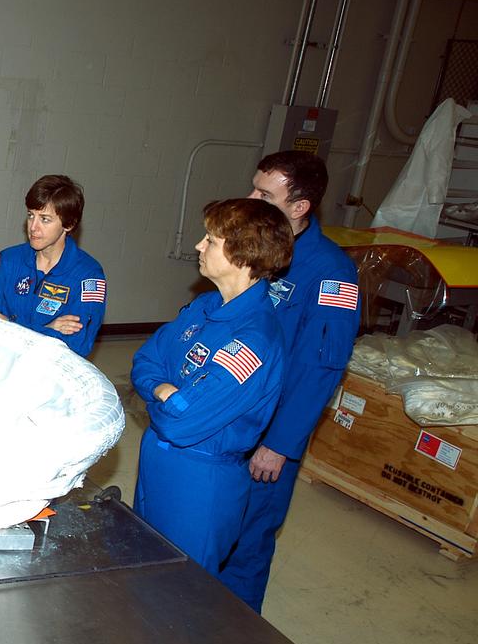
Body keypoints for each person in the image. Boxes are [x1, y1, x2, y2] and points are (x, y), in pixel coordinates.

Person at [220, 151, 361, 612]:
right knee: (213, 524)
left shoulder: (329, 273)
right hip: (228, 415)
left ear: (299, 207)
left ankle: (235, 636)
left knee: (248, 536)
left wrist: (280, 444)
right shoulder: (256, 247)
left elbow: (319, 368)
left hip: (268, 429)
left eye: (265, 194)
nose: (250, 198)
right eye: (252, 187)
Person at [131, 198, 293, 579]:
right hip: (159, 463)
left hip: (199, 483)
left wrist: (166, 399)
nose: (198, 247)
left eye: (211, 240)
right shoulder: (204, 305)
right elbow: (143, 361)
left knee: (181, 591)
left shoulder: (253, 339)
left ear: (243, 257)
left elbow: (181, 424)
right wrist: (164, 391)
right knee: (139, 571)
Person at [0, 174, 107, 357]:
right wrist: (47, 328)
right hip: (2, 363)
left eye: (45, 219)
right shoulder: (9, 260)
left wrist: (10, 325)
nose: (33, 227)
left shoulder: (88, 276)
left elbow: (76, 345)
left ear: (69, 224)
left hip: (50, 373)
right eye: (31, 215)